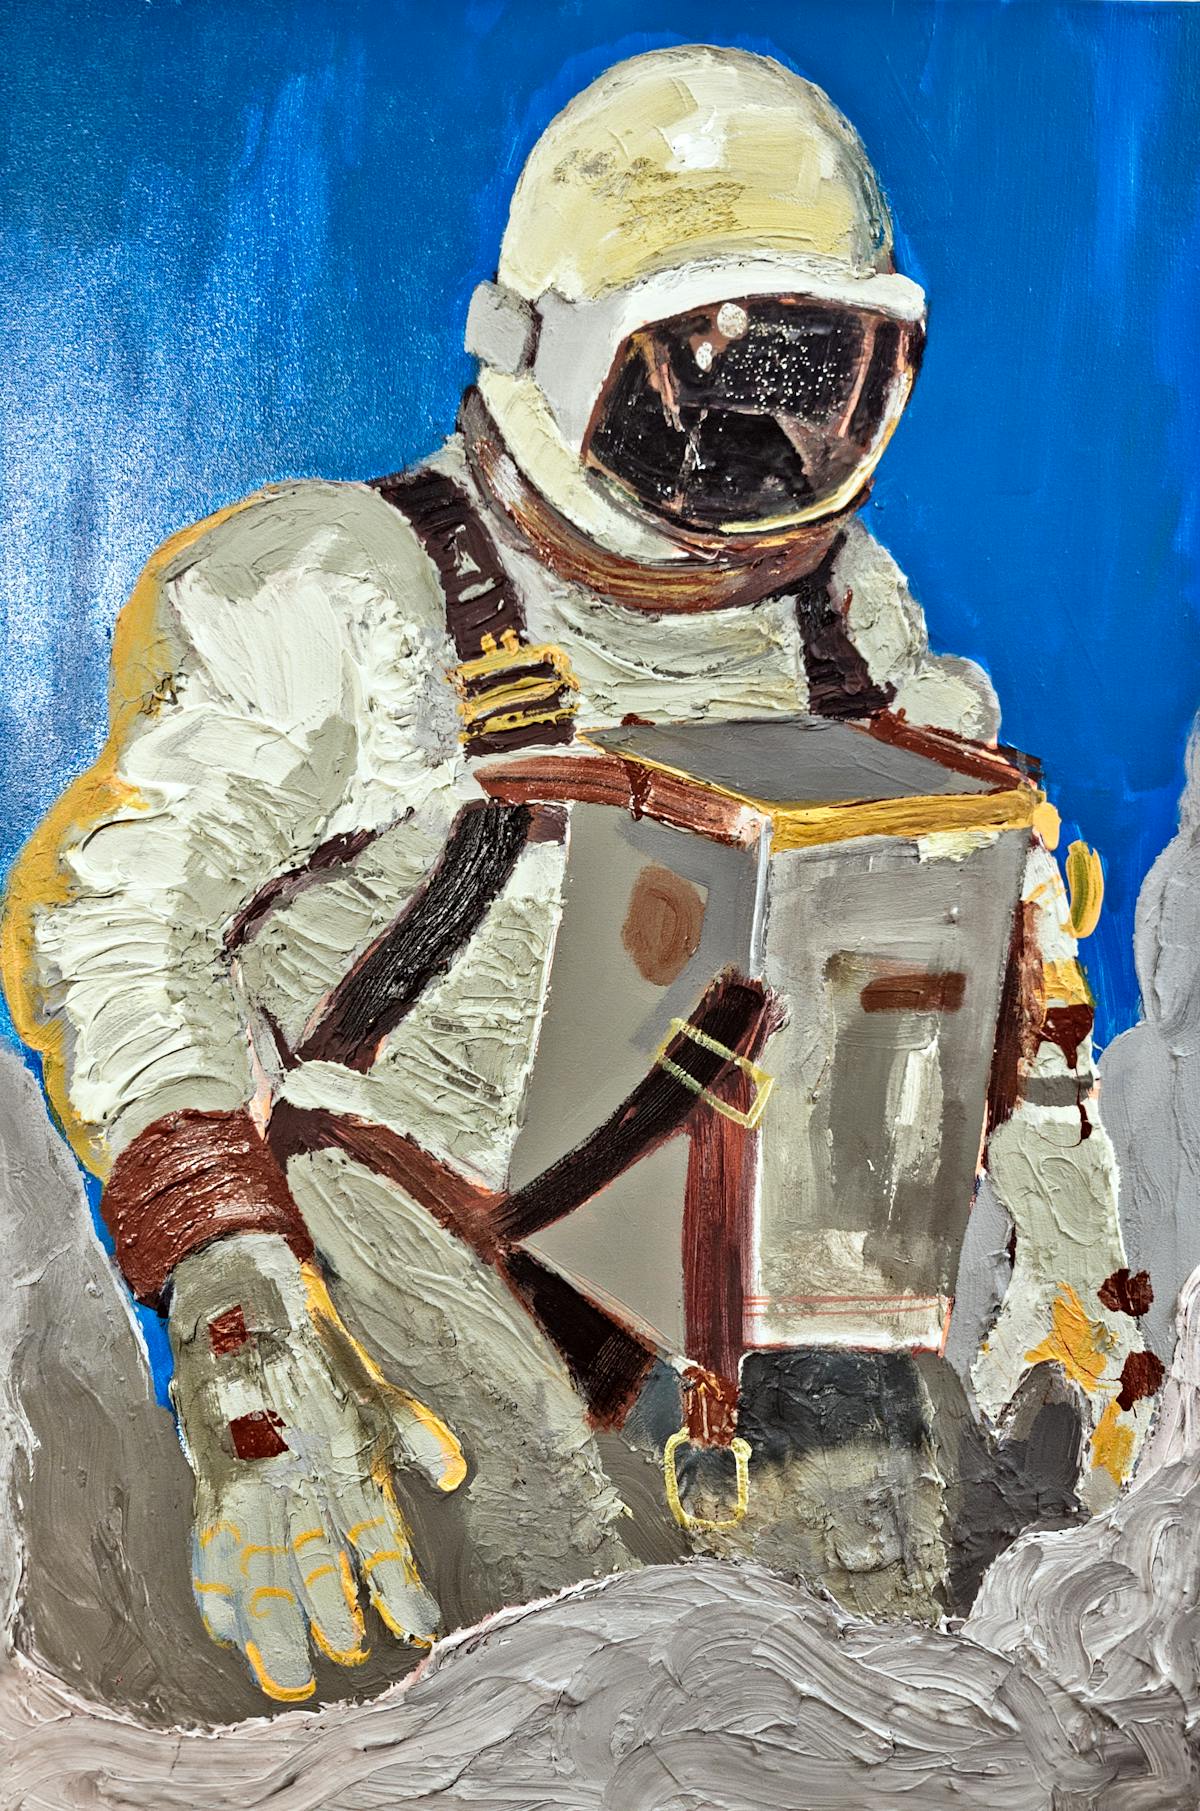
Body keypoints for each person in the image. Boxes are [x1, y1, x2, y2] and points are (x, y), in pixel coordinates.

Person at [0, 44, 1156, 1707]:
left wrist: (1070, 1242)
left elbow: (986, 909)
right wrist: (240, 1310)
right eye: (706, 372)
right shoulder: (353, 593)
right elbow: (121, 923)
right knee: (537, 1659)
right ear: (550, 348)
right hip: (423, 1249)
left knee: (880, 1693)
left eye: (809, 375)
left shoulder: (847, 623)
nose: (754, 436)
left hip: (778, 1294)